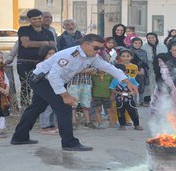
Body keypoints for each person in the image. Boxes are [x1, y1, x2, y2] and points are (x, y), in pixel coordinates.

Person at [10, 34, 138, 151]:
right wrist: (65, 95)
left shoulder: (92, 56)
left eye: (100, 48)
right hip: (43, 80)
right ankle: (69, 143)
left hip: (54, 81)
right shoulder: (69, 55)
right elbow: (53, 76)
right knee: (64, 107)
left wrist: (127, 82)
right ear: (86, 45)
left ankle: (20, 137)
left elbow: (108, 67)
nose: (98, 51)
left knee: (36, 108)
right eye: (96, 48)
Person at [16, 9, 56, 108]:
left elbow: (52, 46)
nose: (37, 21)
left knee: (42, 86)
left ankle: (39, 107)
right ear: (29, 19)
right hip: (25, 63)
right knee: (25, 86)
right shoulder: (23, 30)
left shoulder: (48, 32)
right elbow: (26, 44)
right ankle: (25, 107)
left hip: (42, 63)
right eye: (34, 19)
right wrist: (44, 43)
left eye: (39, 18)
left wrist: (34, 43)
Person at [110, 64, 143, 131]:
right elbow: (112, 89)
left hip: (130, 99)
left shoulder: (131, 79)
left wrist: (132, 93)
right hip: (119, 100)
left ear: (125, 72)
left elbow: (136, 86)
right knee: (120, 113)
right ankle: (122, 125)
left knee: (133, 112)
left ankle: (137, 125)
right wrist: (118, 93)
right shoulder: (115, 80)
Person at [36, 46, 59, 135]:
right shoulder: (41, 64)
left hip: (54, 89)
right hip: (45, 89)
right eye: (49, 54)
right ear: (44, 54)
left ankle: (52, 125)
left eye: (53, 53)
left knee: (53, 108)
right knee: (45, 108)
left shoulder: (56, 63)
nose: (52, 55)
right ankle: (45, 126)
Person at [142, 32, 168, 106]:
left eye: (153, 37)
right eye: (149, 38)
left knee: (160, 82)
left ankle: (160, 99)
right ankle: (148, 99)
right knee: (150, 82)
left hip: (161, 65)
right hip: (150, 66)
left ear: (156, 38)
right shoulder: (144, 46)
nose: (151, 39)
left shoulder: (162, 46)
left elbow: (166, 55)